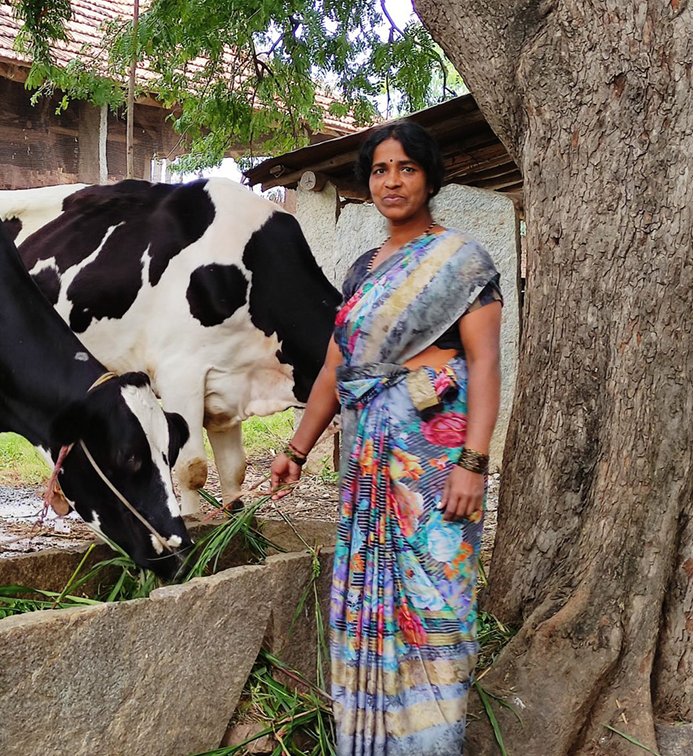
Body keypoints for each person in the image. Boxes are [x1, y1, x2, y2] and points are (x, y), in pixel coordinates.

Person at [269, 120, 503, 755]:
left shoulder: (462, 261)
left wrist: (474, 463)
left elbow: (483, 364)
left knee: (436, 598)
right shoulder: (360, 273)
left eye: (406, 168)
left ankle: (428, 744)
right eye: (379, 169)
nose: (392, 181)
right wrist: (297, 449)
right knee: (370, 596)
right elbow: (334, 368)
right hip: (367, 460)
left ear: (429, 177)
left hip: (435, 460)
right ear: (367, 182)